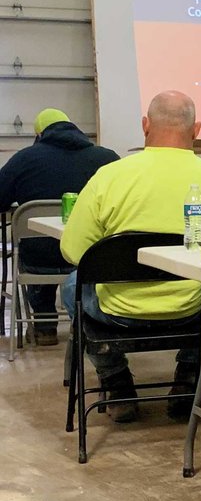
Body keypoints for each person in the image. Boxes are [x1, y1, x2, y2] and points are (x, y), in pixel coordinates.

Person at [60, 92, 201, 422]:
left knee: (71, 286)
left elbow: (73, 251)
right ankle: (189, 378)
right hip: (190, 310)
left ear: (145, 126)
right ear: (196, 129)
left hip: (117, 311)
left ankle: (116, 382)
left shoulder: (109, 176)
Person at [0, 108, 119, 345]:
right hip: (90, 258)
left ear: (40, 134)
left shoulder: (24, 159)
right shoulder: (107, 159)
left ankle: (44, 326)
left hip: (38, 262)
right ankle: (85, 321)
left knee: (37, 243)